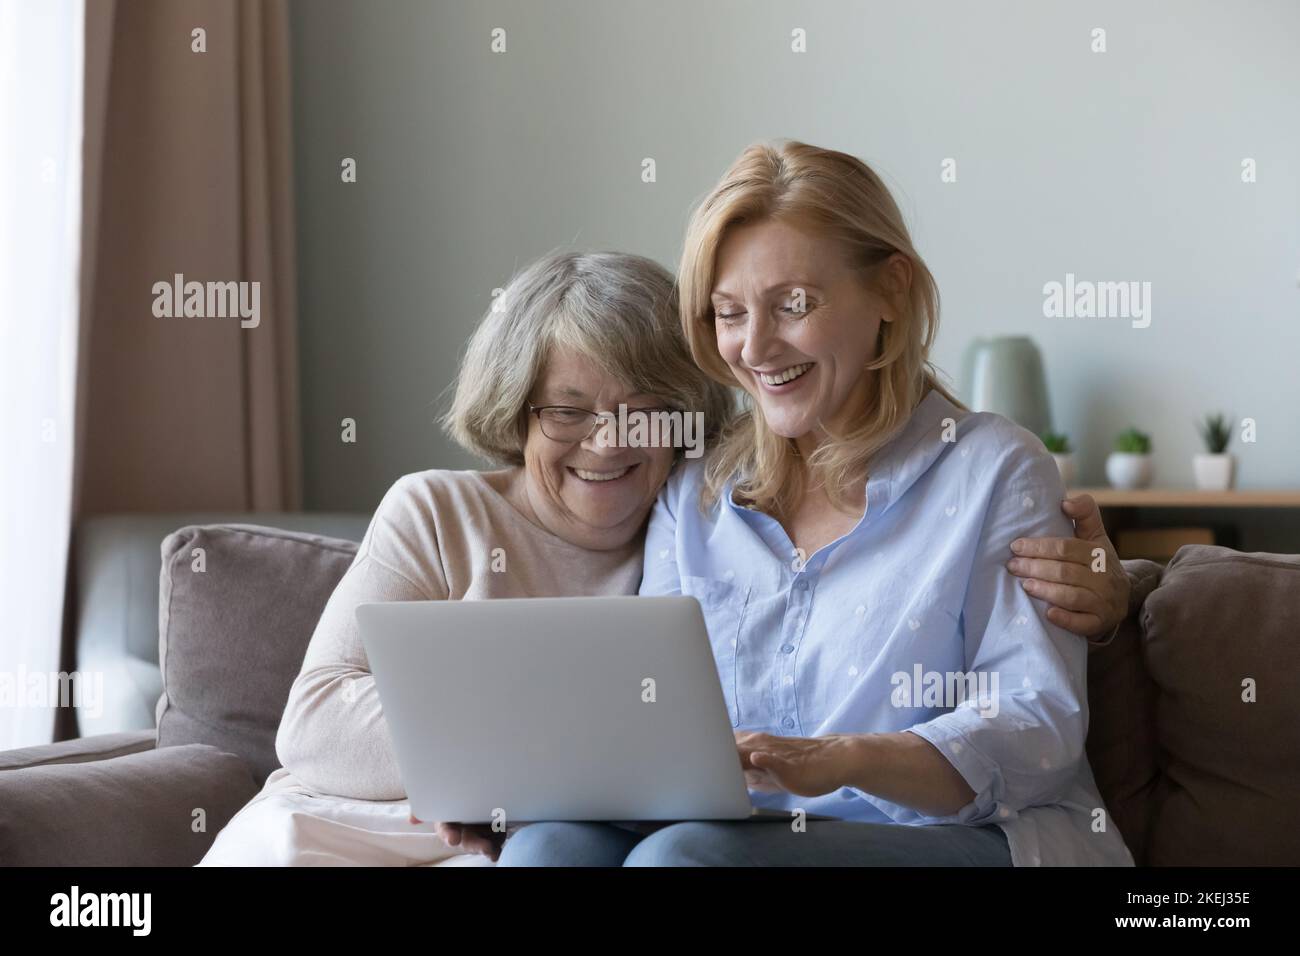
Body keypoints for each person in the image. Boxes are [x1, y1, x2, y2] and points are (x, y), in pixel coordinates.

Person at [495, 141, 1134, 866]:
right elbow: (651, 718)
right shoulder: (695, 493)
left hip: (956, 837)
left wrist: (845, 758)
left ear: (892, 290)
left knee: (684, 860)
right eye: (729, 313)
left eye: (791, 305)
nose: (755, 347)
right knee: (543, 846)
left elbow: (1037, 729)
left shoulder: (994, 470)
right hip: (733, 829)